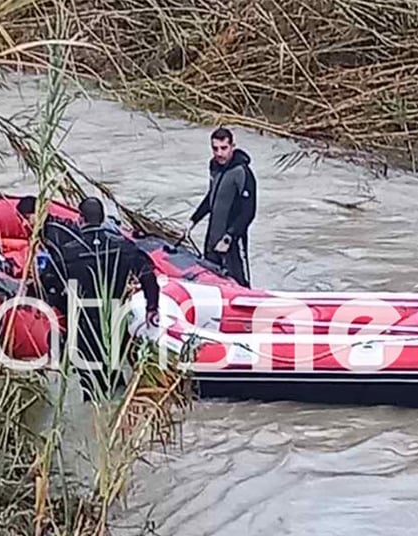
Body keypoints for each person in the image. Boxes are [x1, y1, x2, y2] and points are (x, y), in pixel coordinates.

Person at [39, 197, 160, 401]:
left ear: (80, 219)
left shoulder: (66, 252)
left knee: (89, 381)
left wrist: (63, 310)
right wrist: (152, 308)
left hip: (84, 323)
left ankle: (95, 414)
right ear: (103, 219)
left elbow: (50, 286)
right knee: (115, 372)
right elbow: (148, 276)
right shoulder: (124, 246)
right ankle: (119, 410)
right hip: (116, 319)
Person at [185, 127, 257, 287]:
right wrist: (193, 220)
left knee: (240, 284)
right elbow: (212, 197)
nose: (219, 153)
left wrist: (229, 237)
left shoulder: (242, 172)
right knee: (208, 282)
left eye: (224, 148)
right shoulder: (214, 166)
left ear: (232, 146)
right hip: (212, 239)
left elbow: (249, 212)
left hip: (232, 242)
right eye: (215, 148)